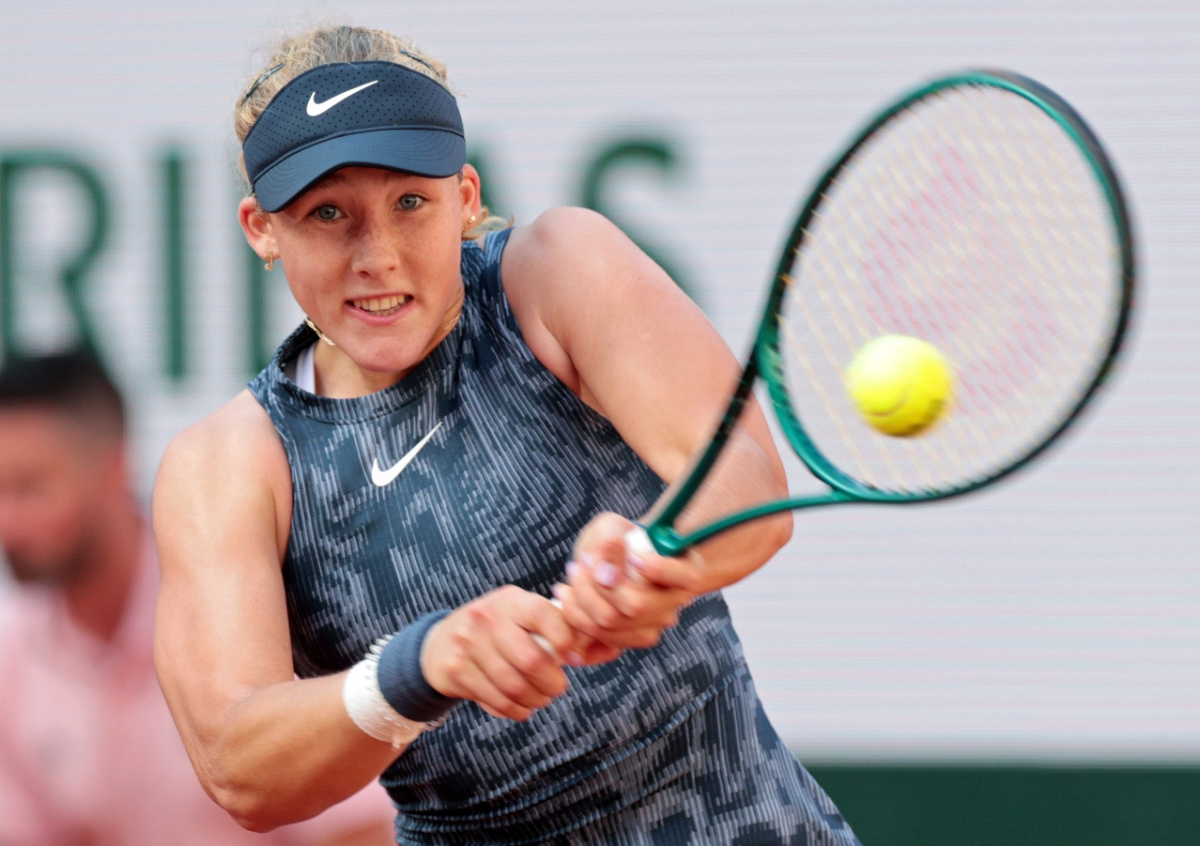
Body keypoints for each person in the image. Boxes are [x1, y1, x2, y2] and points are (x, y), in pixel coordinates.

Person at [153, 24, 860, 846]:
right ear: (262, 228)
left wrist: (654, 556)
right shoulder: (225, 467)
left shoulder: (557, 271)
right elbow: (238, 765)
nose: (377, 256)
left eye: (409, 203)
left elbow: (744, 477)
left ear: (464, 197)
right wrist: (416, 669)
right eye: (328, 213)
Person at [0, 350, 397, 846]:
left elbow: (362, 828)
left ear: (113, 468)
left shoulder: (257, 608)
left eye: (29, 488)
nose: (7, 522)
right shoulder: (13, 654)